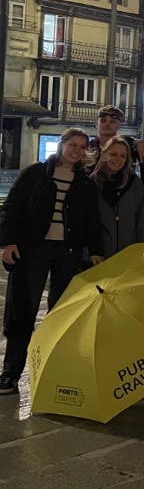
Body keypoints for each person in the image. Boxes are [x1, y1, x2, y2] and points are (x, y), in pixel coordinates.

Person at [0, 128, 102, 394]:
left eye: (82, 146)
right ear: (62, 144)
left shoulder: (85, 183)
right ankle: (11, 372)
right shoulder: (35, 173)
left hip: (68, 252)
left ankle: (52, 371)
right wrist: (8, 242)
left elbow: (92, 220)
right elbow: (12, 207)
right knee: (22, 309)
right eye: (73, 144)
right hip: (33, 249)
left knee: (62, 312)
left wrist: (95, 251)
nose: (77, 150)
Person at [92, 136, 144, 258]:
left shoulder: (135, 183)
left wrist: (142, 250)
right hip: (99, 253)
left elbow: (142, 219)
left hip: (128, 253)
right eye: (113, 154)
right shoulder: (93, 182)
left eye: (122, 156)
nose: (118, 159)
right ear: (104, 155)